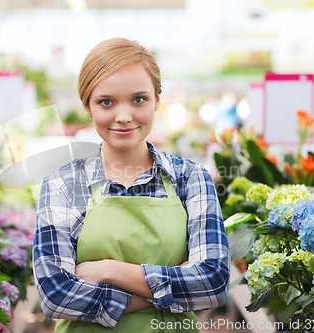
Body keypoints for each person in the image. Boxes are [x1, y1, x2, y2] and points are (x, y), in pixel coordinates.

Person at [33, 38, 230, 332]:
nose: (123, 117)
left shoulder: (190, 178)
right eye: (106, 102)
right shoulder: (64, 184)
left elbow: (213, 282)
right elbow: (56, 295)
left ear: (157, 100)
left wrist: (109, 270)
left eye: (138, 99)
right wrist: (171, 286)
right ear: (87, 105)